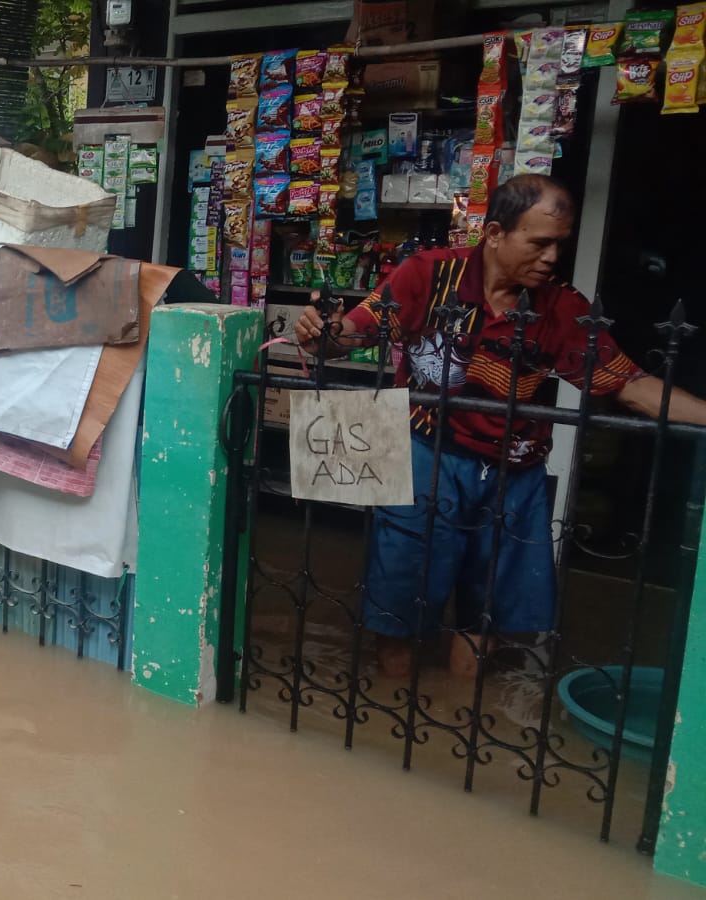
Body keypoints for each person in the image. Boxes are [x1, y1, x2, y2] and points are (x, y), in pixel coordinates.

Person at [295, 174, 706, 678]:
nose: (553, 257)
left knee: (487, 610)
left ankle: (460, 722)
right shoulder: (428, 274)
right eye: (539, 243)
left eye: (560, 244)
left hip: (515, 473)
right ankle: (392, 715)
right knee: (399, 601)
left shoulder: (562, 308)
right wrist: (323, 334)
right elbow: (357, 333)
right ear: (493, 233)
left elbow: (630, 386)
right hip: (422, 450)